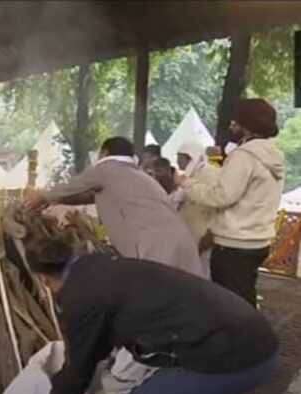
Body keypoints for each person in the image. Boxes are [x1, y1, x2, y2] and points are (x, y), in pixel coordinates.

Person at [26, 238, 278, 394]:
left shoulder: (80, 297)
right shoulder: (102, 265)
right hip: (253, 336)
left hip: (227, 355)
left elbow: (79, 366)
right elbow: (99, 345)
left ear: (43, 280)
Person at [26, 136, 203, 277]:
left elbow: (74, 187)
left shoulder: (107, 169)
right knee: (182, 294)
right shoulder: (134, 174)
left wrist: (41, 196)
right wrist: (53, 200)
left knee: (152, 295)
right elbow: (90, 196)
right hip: (179, 238)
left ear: (105, 152)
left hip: (153, 245)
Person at [175, 98, 285, 306]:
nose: (231, 126)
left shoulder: (244, 156)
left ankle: (243, 337)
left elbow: (221, 196)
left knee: (230, 303)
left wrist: (186, 183)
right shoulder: (273, 154)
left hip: (234, 244)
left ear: (247, 124)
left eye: (236, 121)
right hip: (258, 240)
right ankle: (249, 334)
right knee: (244, 296)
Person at [173, 141, 221, 277]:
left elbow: (217, 205)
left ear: (190, 157)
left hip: (205, 236)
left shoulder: (211, 174)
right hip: (190, 236)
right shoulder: (190, 175)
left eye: (180, 157)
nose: (177, 161)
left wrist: (209, 235)